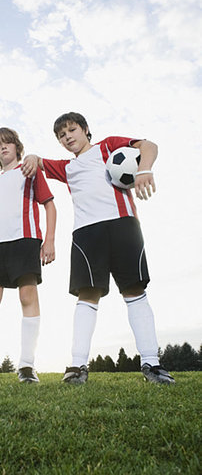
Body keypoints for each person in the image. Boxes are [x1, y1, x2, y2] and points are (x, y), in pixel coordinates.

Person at [21, 112, 175, 385]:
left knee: (134, 290)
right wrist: (32, 156)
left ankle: (152, 363)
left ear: (85, 130)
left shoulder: (108, 146)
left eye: (72, 130)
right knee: (86, 295)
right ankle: (78, 366)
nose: (68, 137)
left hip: (123, 226)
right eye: (61, 135)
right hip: (86, 234)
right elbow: (39, 162)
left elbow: (149, 146)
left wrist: (145, 169)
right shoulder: (66, 167)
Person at [0, 127, 57, 383]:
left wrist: (49, 240)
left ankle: (27, 365)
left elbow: (49, 204)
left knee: (28, 297)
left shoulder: (29, 170)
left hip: (25, 241)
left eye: (7, 143)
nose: (3, 147)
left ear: (16, 146)